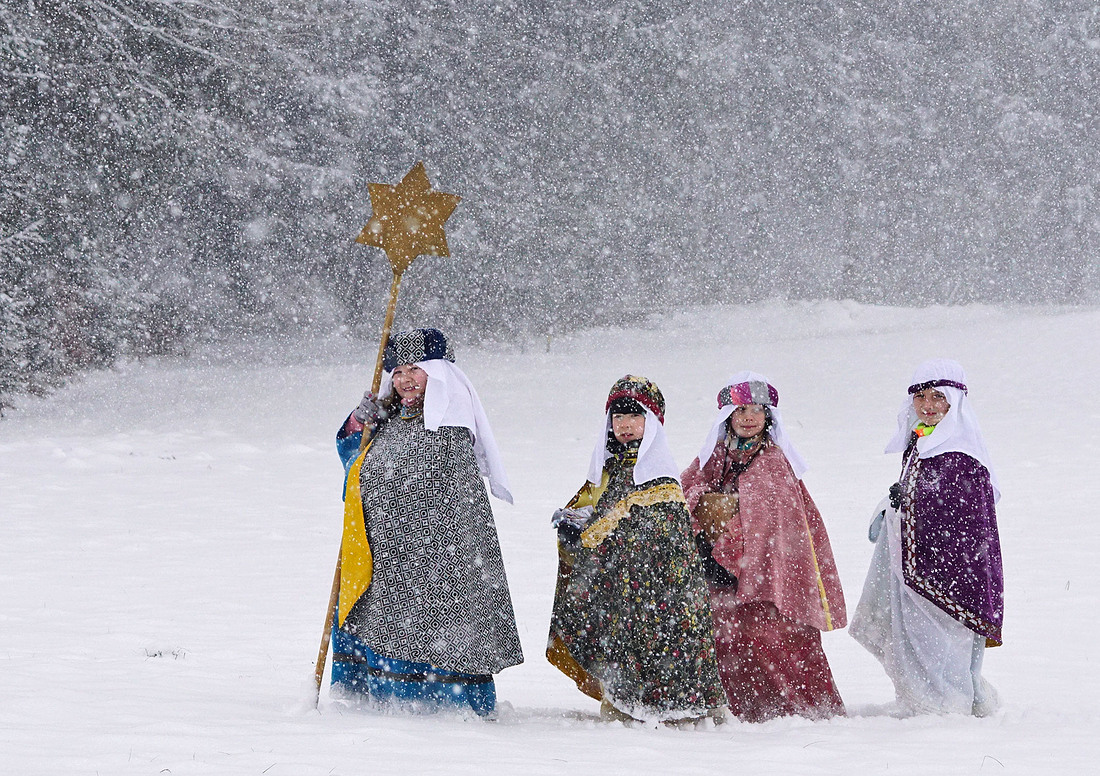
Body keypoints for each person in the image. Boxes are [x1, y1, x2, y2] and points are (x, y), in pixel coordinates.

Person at [331, 328, 523, 717]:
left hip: (440, 553)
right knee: (387, 621)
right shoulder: (387, 418)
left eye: (414, 370)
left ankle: (445, 702)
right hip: (386, 549)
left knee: (440, 621)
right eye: (397, 371)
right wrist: (358, 423)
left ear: (437, 373)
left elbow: (443, 485)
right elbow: (356, 463)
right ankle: (387, 695)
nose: (404, 379)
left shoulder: (451, 422)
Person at [546, 375, 727, 725]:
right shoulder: (611, 468)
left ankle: (671, 709)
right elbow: (600, 511)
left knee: (659, 641)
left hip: (659, 591)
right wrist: (573, 524)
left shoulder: (658, 473)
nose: (624, 425)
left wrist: (587, 538)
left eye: (634, 416)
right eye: (617, 417)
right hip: (623, 589)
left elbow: (645, 530)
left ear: (653, 422)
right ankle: (627, 701)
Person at [680, 371, 846, 722]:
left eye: (757, 410)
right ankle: (735, 708)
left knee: (774, 638)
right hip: (718, 573)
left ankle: (798, 709)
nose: (750, 418)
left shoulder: (773, 462)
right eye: (741, 411)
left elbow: (772, 519)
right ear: (728, 417)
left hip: (766, 579)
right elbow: (685, 491)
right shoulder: (712, 456)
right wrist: (705, 512)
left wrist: (728, 530)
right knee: (722, 637)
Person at [850, 358, 1003, 716]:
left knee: (943, 639)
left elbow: (965, 516)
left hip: (949, 571)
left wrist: (912, 511)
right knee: (918, 638)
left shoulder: (963, 454)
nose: (928, 405)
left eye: (938, 397)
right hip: (918, 562)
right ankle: (924, 699)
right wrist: (894, 510)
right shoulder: (922, 442)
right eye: (920, 397)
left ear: (955, 402)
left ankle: (945, 704)